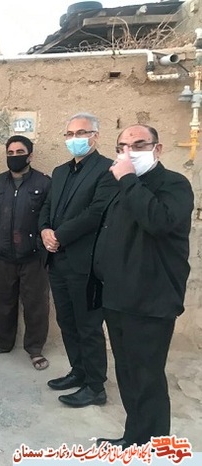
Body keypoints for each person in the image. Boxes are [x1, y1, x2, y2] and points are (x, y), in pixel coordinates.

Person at [92, 124, 194, 448]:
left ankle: (154, 447)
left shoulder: (174, 184)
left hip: (151, 300)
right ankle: (135, 438)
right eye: (122, 146)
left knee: (147, 378)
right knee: (127, 374)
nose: (129, 153)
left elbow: (158, 221)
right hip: (117, 296)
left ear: (157, 149)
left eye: (138, 145)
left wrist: (127, 179)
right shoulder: (121, 185)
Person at [38, 112, 117, 407]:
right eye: (69, 134)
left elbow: (96, 213)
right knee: (67, 322)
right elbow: (47, 206)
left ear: (95, 136)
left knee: (88, 325)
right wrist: (44, 230)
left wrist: (59, 235)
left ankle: (95, 387)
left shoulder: (107, 170)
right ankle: (78, 371)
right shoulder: (60, 172)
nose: (75, 139)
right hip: (57, 262)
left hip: (86, 263)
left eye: (81, 133)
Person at [0, 135, 52, 370]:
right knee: (2, 303)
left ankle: (35, 349)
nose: (14, 156)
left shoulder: (44, 183)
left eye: (19, 152)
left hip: (34, 258)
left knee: (36, 306)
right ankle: (2, 343)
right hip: (3, 256)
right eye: (10, 153)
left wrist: (40, 244)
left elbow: (52, 217)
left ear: (30, 155)